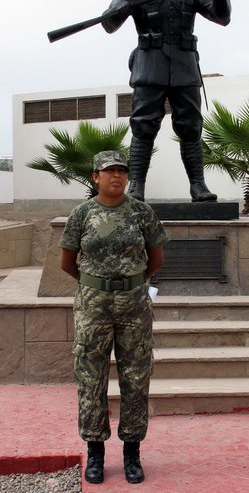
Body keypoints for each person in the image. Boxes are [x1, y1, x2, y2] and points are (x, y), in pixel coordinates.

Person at [59, 150, 169, 485]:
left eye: (122, 171)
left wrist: (129, 284)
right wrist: (98, 286)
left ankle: (132, 452)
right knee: (91, 377)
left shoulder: (141, 213)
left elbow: (156, 259)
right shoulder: (81, 214)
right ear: (96, 177)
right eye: (109, 171)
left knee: (136, 376)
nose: (116, 176)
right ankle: (94, 451)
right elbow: (67, 261)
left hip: (134, 305)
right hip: (93, 306)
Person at [102, 0, 231, 203]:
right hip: (149, 64)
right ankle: (136, 185)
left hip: (184, 63)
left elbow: (221, 17)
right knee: (143, 126)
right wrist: (120, 9)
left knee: (191, 127)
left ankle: (198, 186)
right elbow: (109, 23)